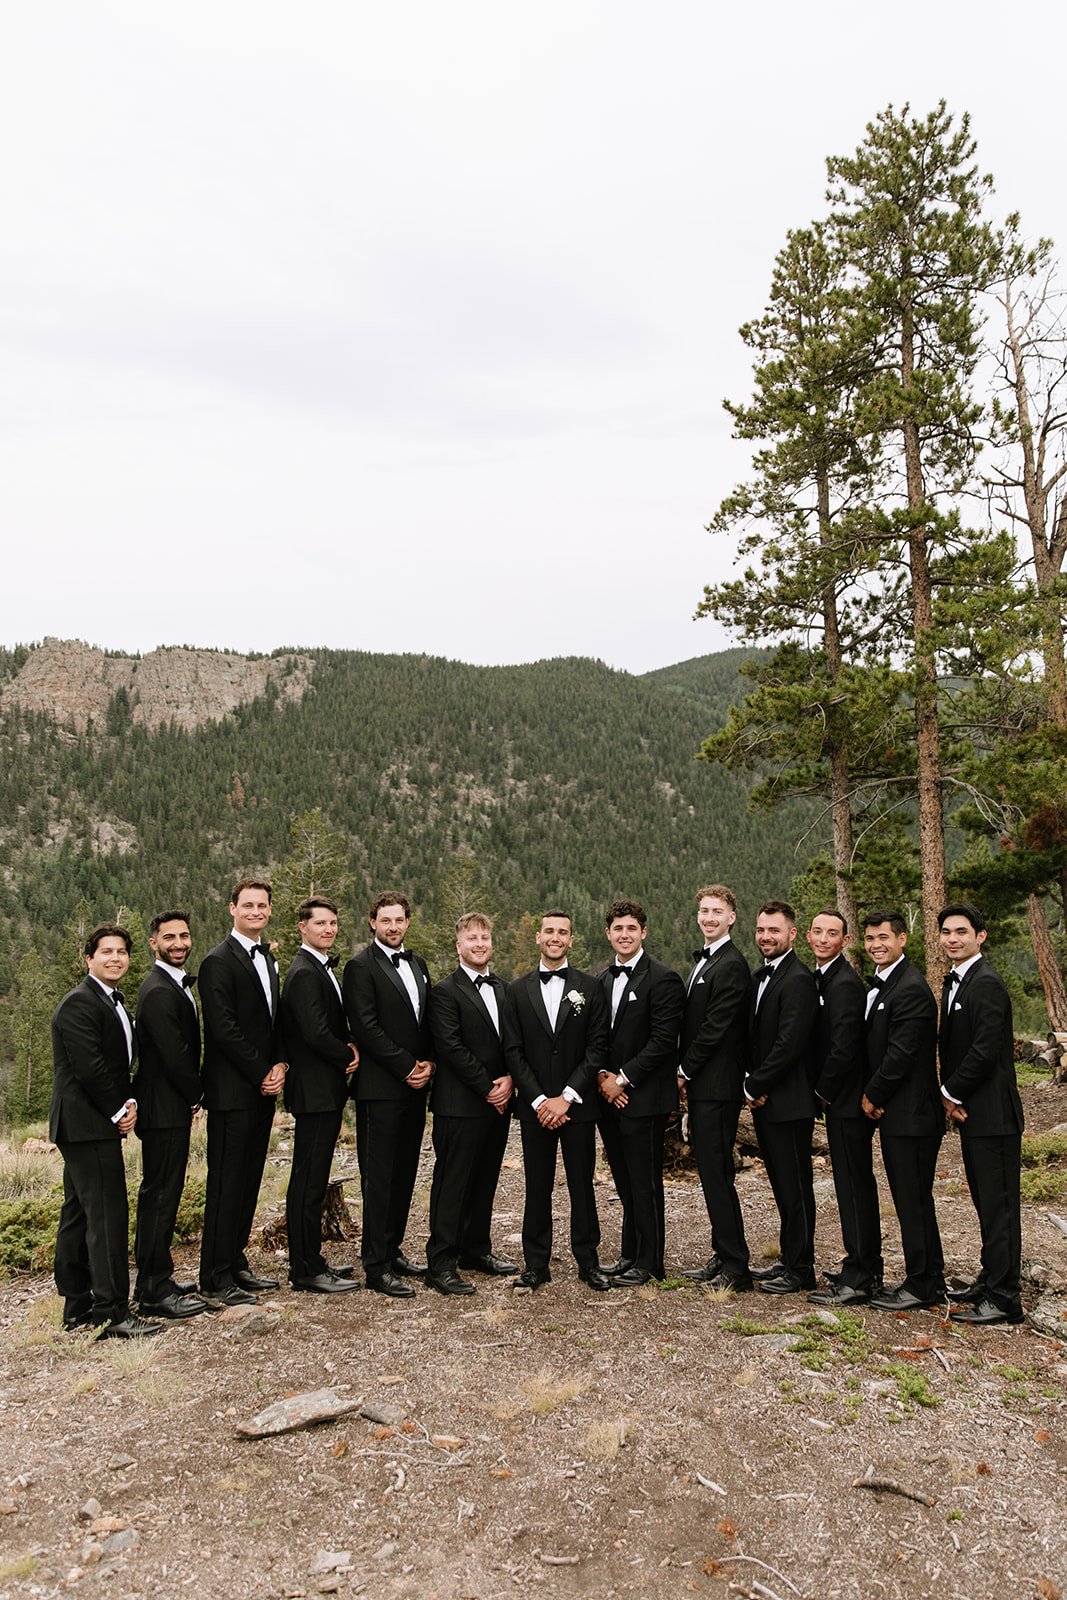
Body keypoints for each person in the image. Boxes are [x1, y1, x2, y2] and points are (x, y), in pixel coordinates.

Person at [50, 923, 159, 1338]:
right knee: (108, 1216)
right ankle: (112, 1312)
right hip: (87, 1123)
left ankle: (77, 1305)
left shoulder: (110, 1001)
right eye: (106, 951)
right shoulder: (80, 1003)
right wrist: (119, 1111)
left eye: (121, 952)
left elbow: (116, 1064)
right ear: (88, 958)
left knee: (79, 1213)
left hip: (89, 1121)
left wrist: (128, 1099)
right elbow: (90, 1068)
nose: (115, 958)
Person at [503, 909, 611, 1291]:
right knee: (537, 1186)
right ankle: (536, 1264)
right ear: (538, 937)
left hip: (577, 1105)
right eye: (548, 931)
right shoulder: (516, 990)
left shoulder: (590, 987)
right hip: (535, 1110)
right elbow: (513, 1051)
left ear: (571, 940)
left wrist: (566, 1097)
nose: (555, 937)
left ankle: (588, 1261)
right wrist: (537, 1101)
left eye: (562, 932)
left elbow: (597, 1048)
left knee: (582, 1184)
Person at [198, 878, 287, 1306]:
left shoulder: (266, 958)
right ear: (231, 908)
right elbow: (223, 1028)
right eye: (248, 905)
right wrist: (260, 1072)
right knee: (225, 1183)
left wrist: (281, 1065)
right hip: (234, 1090)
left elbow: (274, 1023)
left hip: (263, 1089)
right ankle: (214, 1275)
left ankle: (235, 1262)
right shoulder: (218, 961)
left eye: (262, 905)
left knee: (250, 1179)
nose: (256, 911)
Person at [937, 903, 1025, 1326]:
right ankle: (990, 1279)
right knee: (984, 1203)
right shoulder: (955, 981)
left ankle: (1006, 1299)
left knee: (1000, 1206)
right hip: (974, 1113)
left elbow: (985, 1049)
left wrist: (949, 1093)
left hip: (992, 1115)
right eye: (947, 932)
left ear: (980, 936)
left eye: (961, 932)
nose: (953, 938)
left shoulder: (986, 983)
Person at [343, 892, 434, 1298]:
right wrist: (405, 1066)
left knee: (405, 1173)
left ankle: (393, 1249)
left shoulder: (419, 964)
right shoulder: (360, 967)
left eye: (399, 920)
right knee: (378, 1178)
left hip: (416, 1089)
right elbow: (365, 1026)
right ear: (372, 922)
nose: (393, 926)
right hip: (380, 1089)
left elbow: (426, 1021)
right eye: (386, 920)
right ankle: (375, 1266)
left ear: (407, 922)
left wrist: (429, 1063)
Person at [425, 912, 517, 1295]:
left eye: (484, 937)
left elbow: (514, 1042)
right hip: (460, 1103)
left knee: (484, 1180)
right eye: (471, 938)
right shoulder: (445, 991)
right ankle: (441, 1261)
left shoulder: (504, 988)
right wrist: (487, 1087)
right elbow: (450, 1046)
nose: (479, 944)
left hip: (498, 1103)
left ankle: (476, 1249)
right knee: (453, 1183)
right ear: (458, 945)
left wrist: (511, 1080)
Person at [595, 899, 685, 1286]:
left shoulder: (663, 978)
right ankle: (630, 1253)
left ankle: (650, 1262)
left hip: (643, 1097)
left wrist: (623, 1079)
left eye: (632, 928)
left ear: (643, 932)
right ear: (608, 933)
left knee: (645, 1182)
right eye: (618, 929)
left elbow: (664, 1041)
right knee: (624, 1180)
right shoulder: (600, 980)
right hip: (608, 1098)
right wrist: (602, 1078)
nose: (625, 935)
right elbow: (595, 1038)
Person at [862, 910, 945, 1312]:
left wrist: (872, 1094)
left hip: (912, 1113)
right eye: (870, 939)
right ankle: (930, 1276)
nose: (876, 944)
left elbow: (902, 1054)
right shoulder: (886, 985)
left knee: (913, 1199)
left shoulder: (910, 988)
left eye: (883, 938)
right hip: (901, 1113)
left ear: (902, 940)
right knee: (911, 1197)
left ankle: (922, 1283)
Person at [280, 897, 360, 1294]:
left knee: (314, 1178)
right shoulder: (304, 972)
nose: (328, 929)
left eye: (332, 923)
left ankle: (312, 1259)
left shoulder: (319, 968)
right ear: (302, 928)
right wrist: (349, 1052)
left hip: (324, 1090)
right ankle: (305, 1269)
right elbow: (314, 1032)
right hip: (313, 1091)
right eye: (320, 924)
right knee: (308, 1180)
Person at [133, 911, 209, 1319]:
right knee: (160, 1197)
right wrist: (197, 1095)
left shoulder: (171, 984)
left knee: (163, 1193)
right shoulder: (159, 990)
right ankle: (152, 1289)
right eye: (169, 937)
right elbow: (174, 1055)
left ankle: (158, 1277)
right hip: (163, 1108)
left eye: (183, 936)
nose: (178, 943)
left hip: (168, 1106)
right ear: (154, 943)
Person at [804, 908, 882, 1307]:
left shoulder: (846, 983)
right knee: (848, 1185)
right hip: (839, 1099)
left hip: (847, 1101)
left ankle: (862, 1275)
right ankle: (859, 1262)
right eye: (817, 931)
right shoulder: (822, 977)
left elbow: (845, 1046)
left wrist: (821, 1092)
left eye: (831, 933)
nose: (822, 939)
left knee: (854, 1187)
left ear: (844, 940)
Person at [678, 885, 753, 1290]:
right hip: (706, 1086)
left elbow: (715, 1028)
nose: (708, 917)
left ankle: (736, 1269)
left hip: (718, 1086)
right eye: (704, 910)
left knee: (718, 1173)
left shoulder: (731, 964)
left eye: (716, 911)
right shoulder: (708, 961)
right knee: (710, 1173)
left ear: (731, 917)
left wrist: (683, 1071)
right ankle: (723, 1253)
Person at [745, 900, 819, 1294]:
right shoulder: (764, 976)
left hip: (789, 1102)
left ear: (792, 934)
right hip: (768, 1101)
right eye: (761, 930)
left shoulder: (798, 979)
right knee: (781, 1185)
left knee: (796, 1187)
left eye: (774, 930)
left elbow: (790, 1044)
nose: (766, 937)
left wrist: (754, 1085)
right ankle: (789, 1260)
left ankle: (802, 1268)